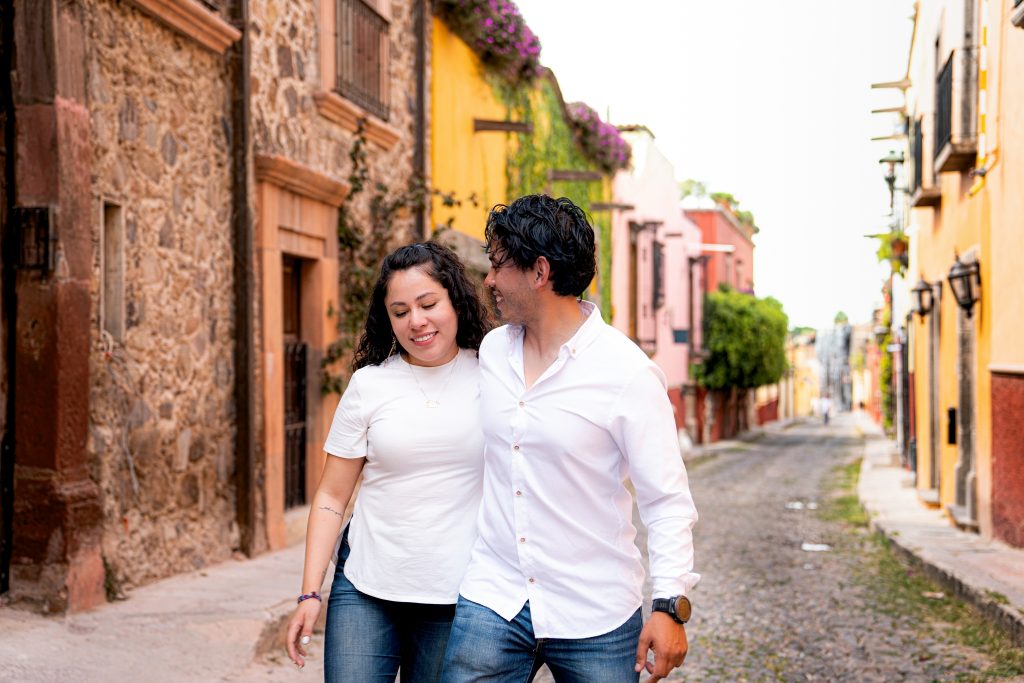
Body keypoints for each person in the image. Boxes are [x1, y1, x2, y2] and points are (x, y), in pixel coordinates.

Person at [440, 195, 700, 683]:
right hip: (496, 594)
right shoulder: (494, 351)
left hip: (595, 609)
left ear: (539, 272)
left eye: (498, 266)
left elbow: (666, 500)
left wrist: (670, 606)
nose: (489, 280)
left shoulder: (627, 373)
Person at [285, 242, 491, 682]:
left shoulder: (495, 376)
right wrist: (309, 593)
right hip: (365, 590)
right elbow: (330, 497)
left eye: (428, 304)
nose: (416, 321)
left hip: (455, 596)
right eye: (400, 311)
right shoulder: (369, 385)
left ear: (455, 300)